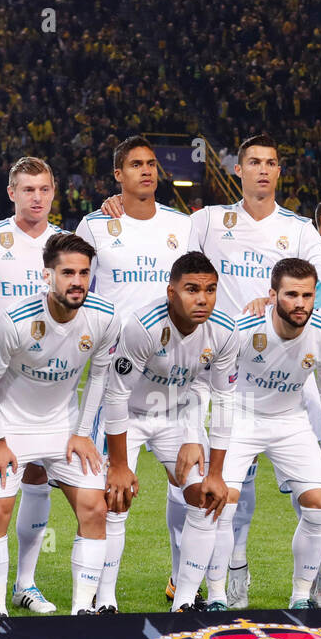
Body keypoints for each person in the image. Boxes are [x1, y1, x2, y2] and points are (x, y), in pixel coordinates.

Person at [178, 135, 321, 607]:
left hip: (285, 374)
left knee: (315, 491)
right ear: (238, 170)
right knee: (210, 484)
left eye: (271, 163)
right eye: (254, 162)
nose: (263, 170)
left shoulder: (299, 228)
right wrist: (121, 205)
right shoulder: (209, 221)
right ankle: (219, 577)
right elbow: (167, 250)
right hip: (221, 368)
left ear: (280, 172)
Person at [75, 136, 194, 610]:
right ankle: (105, 599)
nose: (146, 171)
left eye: (151, 164)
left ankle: (183, 591)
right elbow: (73, 275)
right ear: (117, 175)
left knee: (191, 489)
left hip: (173, 381)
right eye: (135, 165)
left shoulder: (183, 226)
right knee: (114, 496)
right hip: (115, 378)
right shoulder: (95, 225)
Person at [0, 233, 116, 616]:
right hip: (12, 427)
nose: (77, 281)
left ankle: (83, 610)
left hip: (64, 427)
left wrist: (83, 433)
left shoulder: (104, 317)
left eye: (84, 273)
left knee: (95, 509)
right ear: (46, 276)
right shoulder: (15, 321)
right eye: (67, 272)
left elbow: (99, 377)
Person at [101, 251, 239, 612]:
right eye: (192, 289)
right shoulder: (143, 326)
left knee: (206, 499)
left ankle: (184, 601)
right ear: (171, 292)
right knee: (115, 501)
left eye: (210, 290)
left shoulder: (224, 330)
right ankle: (104, 600)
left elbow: (222, 397)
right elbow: (114, 394)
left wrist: (212, 464)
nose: (202, 298)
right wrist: (117, 465)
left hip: (175, 415)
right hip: (128, 416)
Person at [213, 257, 321, 609]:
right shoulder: (244, 328)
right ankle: (218, 594)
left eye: (307, 295)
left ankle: (301, 595)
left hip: (290, 421)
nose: (300, 303)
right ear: (272, 295)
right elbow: (214, 382)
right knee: (221, 505)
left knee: (319, 507)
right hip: (241, 417)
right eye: (291, 294)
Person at [0, 156, 66, 616]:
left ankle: (24, 584)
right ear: (11, 193)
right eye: (27, 189)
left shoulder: (65, 243)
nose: (36, 198)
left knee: (37, 478)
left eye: (44, 189)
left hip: (41, 388)